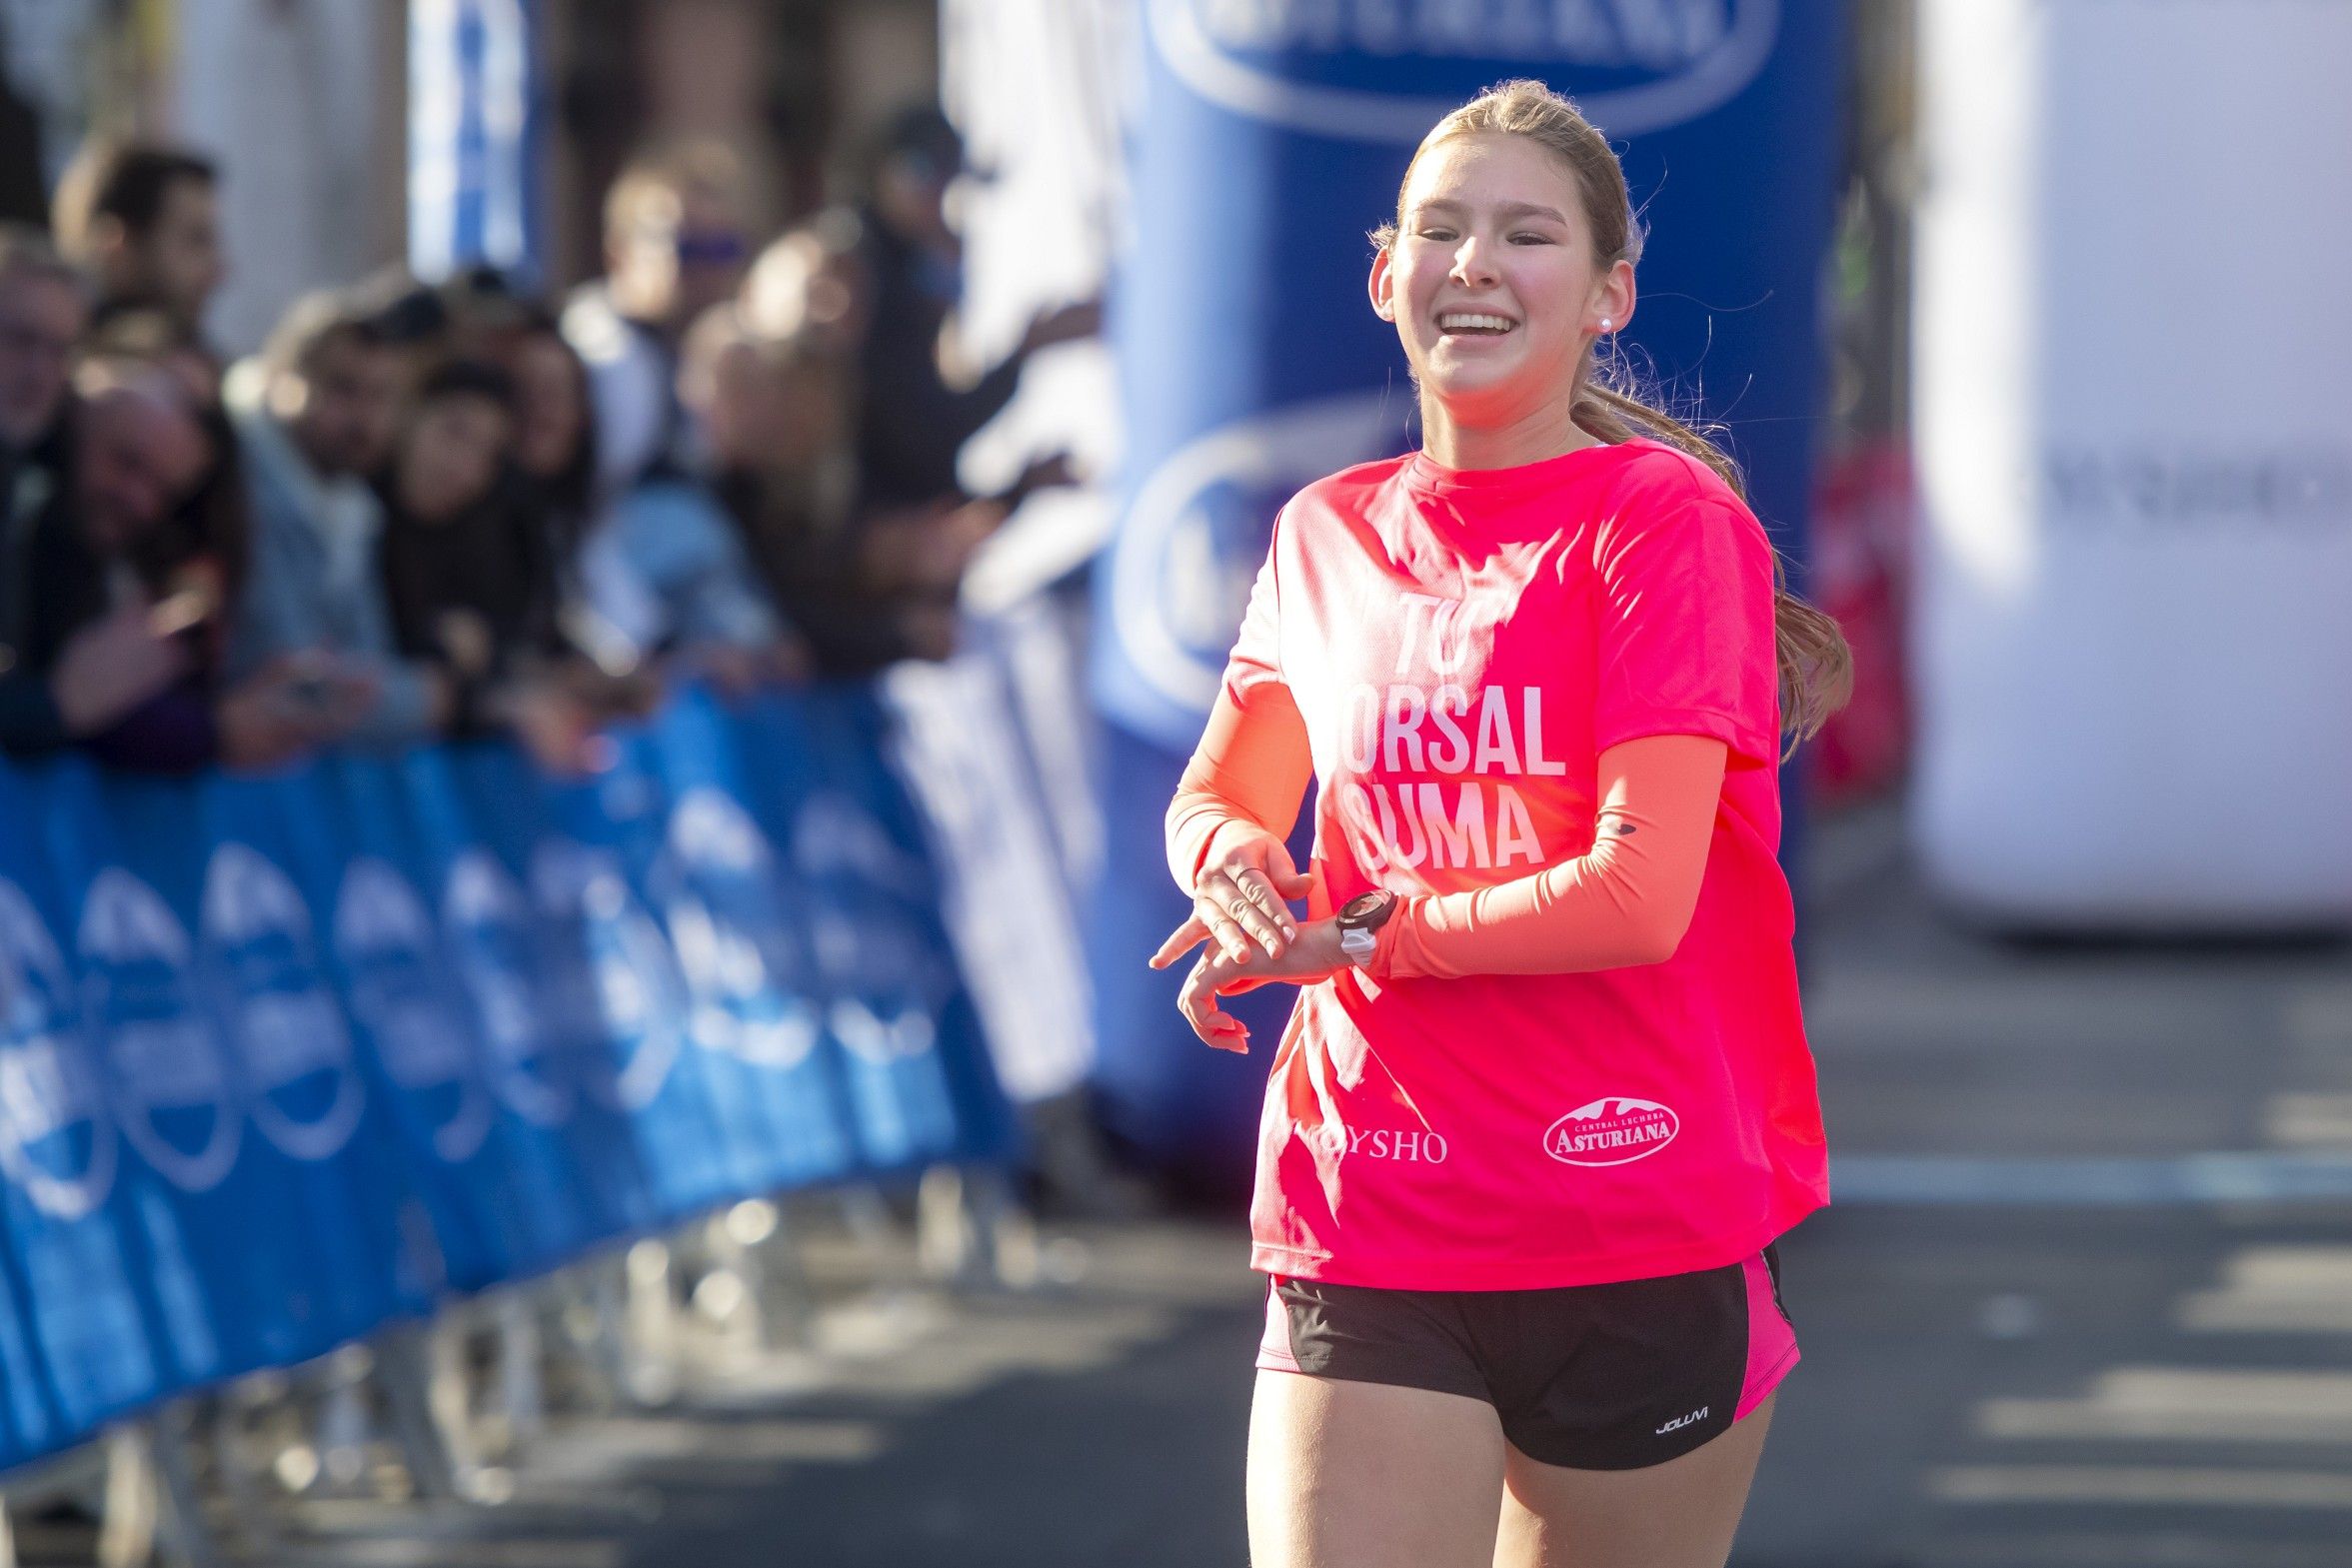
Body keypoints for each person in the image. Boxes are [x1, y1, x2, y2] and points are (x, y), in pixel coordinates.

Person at [1149, 82, 1853, 1568]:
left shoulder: (1661, 526)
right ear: (1381, 272)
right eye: (1439, 229)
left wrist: (1352, 939)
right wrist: (1232, 877)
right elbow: (1223, 792)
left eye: (1525, 235)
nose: (1473, 262)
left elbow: (1637, 893)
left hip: (1633, 1207)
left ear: (1607, 297)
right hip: (1368, 1197)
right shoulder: (1323, 531)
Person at [3, 361, 328, 771]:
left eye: (163, 488)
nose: (138, 500)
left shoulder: (126, 571)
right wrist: (54, 706)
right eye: (127, 462)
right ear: (80, 423)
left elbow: (112, 714)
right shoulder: (23, 521)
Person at [850, 106, 1099, 506]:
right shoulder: (865, 276)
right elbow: (924, 435)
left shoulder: (918, 263)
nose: (940, 199)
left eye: (953, 179)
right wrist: (1027, 349)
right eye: (923, 174)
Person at [225, 289, 430, 747]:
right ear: (280, 378)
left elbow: (369, 664)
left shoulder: (351, 505)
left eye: (381, 396)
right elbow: (290, 684)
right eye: (342, 388)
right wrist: (437, 699)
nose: (364, 418)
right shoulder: (240, 491)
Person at [563, 141, 753, 498]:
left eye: (722, 248)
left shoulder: (724, 359)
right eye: (686, 246)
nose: (706, 267)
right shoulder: (584, 359)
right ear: (619, 253)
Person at [50, 141, 227, 337]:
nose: (219, 272)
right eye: (195, 240)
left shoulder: (201, 361)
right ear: (118, 243)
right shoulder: (48, 360)